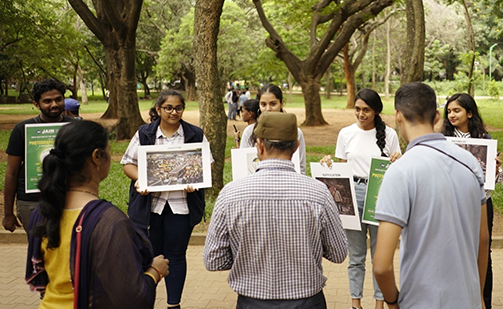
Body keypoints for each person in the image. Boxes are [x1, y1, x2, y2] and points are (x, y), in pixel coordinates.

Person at [204, 112, 348, 308]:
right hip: (307, 301)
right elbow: (339, 254)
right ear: (296, 146)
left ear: (259, 146)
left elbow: (213, 260)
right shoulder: (319, 193)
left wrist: (245, 256)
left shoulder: (231, 194)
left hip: (251, 301)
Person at [25, 120, 169, 308]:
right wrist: (154, 272)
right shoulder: (108, 221)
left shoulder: (44, 211)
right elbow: (130, 298)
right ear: (97, 156)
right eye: (109, 150)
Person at [373, 82, 489, 309]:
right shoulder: (471, 163)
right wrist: (479, 296)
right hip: (468, 299)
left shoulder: (400, 171)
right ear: (437, 116)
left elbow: (381, 266)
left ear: (398, 116)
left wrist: (392, 302)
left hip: (419, 301)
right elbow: (482, 239)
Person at [122, 90, 212, 309]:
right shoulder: (144, 133)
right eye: (168, 108)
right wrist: (142, 179)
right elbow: (128, 164)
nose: (174, 112)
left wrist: (196, 180)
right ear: (159, 109)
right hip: (150, 206)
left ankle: (174, 304)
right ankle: (146, 301)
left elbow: (206, 165)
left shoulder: (195, 134)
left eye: (178, 108)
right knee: (149, 256)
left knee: (176, 256)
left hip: (181, 206)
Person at [320, 88, 401, 309]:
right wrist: (329, 163)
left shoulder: (390, 135)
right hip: (352, 196)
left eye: (366, 110)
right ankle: (355, 303)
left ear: (376, 111)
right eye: (357, 109)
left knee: (379, 257)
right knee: (355, 256)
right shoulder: (346, 134)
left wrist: (398, 158)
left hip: (380, 195)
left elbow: (398, 168)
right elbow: (341, 169)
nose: (361, 114)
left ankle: (379, 303)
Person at [441, 93, 503, 309]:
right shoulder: (441, 139)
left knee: (483, 253)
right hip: (450, 202)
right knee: (451, 251)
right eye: (449, 111)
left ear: (469, 113)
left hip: (481, 203)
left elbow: (491, 181)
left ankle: (483, 302)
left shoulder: (484, 139)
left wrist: (495, 169)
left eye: (457, 110)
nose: (451, 115)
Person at [3, 79, 75, 235]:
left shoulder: (75, 128)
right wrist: (8, 213)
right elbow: (11, 173)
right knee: (38, 250)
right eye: (47, 101)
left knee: (70, 248)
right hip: (32, 202)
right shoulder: (22, 130)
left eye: (58, 99)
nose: (54, 104)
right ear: (36, 104)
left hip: (69, 198)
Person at [239, 83, 307, 173]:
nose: (268, 109)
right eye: (263, 104)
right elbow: (242, 164)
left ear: (281, 104)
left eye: (273, 104)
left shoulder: (296, 132)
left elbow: (301, 168)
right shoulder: (249, 131)